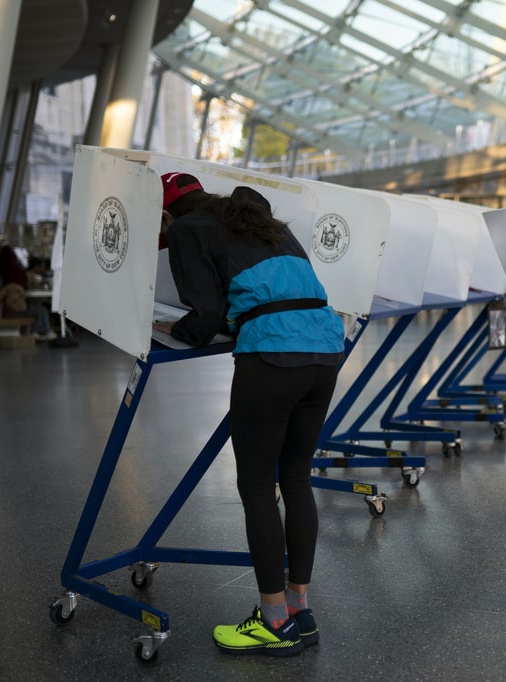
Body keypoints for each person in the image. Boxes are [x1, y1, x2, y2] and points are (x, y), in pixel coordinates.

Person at [153, 172, 345, 657]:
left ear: (166, 213)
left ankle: (272, 621)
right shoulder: (265, 222)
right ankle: (300, 611)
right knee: (297, 478)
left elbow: (208, 313)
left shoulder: (185, 229)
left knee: (258, 487)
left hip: (272, 355)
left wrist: (171, 325)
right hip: (324, 350)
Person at [0, 244, 55, 341]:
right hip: (14, 309)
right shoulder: (17, 274)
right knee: (40, 310)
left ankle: (36, 332)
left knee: (38, 309)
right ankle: (40, 332)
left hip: (5, 309)